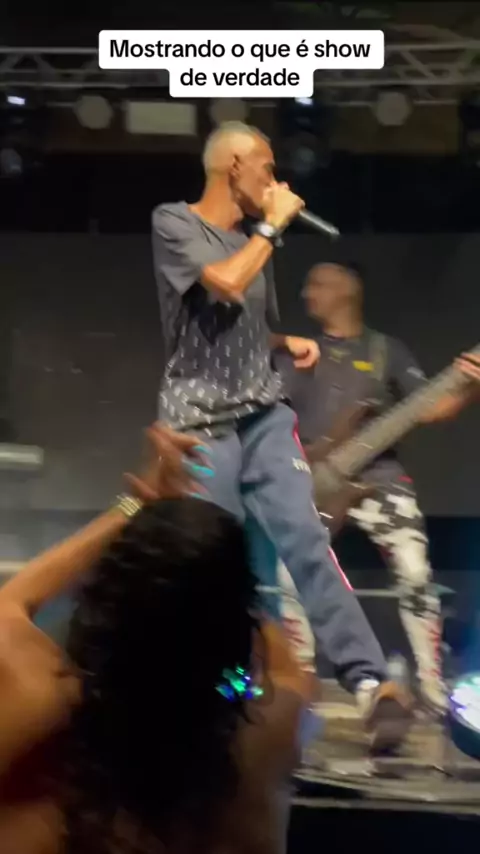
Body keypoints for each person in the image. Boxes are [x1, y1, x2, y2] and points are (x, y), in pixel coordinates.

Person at [152, 120, 414, 750]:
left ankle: (369, 682)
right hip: (200, 422)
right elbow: (223, 283)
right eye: (267, 168)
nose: (276, 181)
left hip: (263, 416)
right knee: (215, 562)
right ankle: (221, 695)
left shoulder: (253, 241)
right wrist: (271, 227)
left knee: (307, 541)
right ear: (233, 167)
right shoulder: (176, 221)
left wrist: (281, 339)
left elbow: (237, 320)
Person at [0, 423, 312, 854]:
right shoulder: (265, 739)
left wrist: (135, 504)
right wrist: (215, 574)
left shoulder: (36, 709)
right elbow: (279, 668)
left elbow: (12, 602)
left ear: (103, 601)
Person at [275, 259, 480, 714]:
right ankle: (298, 680)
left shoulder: (388, 351)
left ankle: (432, 686)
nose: (307, 293)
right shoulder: (299, 353)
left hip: (381, 482)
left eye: (319, 284)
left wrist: (471, 387)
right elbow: (275, 418)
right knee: (290, 578)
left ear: (348, 290)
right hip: (314, 479)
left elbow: (432, 408)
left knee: (415, 575)